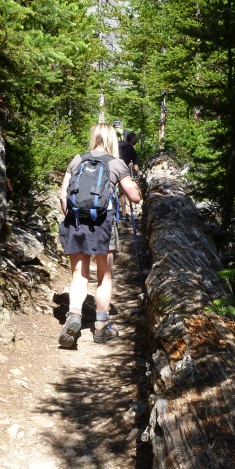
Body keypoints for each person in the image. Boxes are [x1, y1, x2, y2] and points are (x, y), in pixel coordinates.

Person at [58, 123, 142, 348]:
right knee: (104, 276)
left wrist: (73, 218)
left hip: (75, 224)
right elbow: (134, 197)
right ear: (112, 140)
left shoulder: (77, 159)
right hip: (103, 225)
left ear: (93, 137)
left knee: (79, 274)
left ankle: (74, 316)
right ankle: (101, 327)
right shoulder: (116, 164)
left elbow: (63, 196)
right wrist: (134, 185)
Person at [118, 132, 140, 221]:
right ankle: (123, 214)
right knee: (122, 193)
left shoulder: (118, 144)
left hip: (111, 169)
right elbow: (136, 168)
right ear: (134, 142)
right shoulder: (133, 151)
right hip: (122, 171)